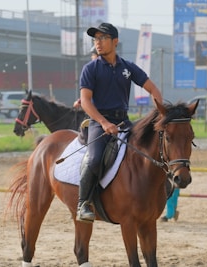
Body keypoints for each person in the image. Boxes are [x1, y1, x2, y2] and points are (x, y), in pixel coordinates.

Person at [76, 22, 163, 223]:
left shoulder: (128, 67)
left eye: (102, 38)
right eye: (95, 39)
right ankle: (83, 204)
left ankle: (158, 193)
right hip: (100, 123)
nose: (98, 42)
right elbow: (86, 102)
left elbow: (153, 90)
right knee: (95, 158)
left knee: (151, 150)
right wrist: (104, 122)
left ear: (115, 42)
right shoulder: (91, 69)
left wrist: (161, 113)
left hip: (124, 121)